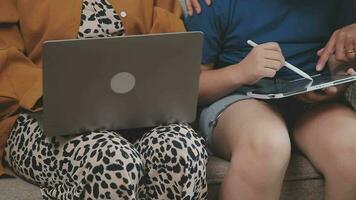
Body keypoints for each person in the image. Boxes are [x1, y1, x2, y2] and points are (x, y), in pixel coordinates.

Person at [0, 0, 210, 199]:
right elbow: (5, 57)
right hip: (39, 117)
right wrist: (58, 95)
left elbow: (172, 46)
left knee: (182, 148)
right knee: (112, 160)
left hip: (138, 111)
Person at [185, 0, 356, 199]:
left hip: (314, 104)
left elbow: (341, 66)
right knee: (267, 143)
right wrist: (241, 72)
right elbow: (188, 87)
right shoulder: (214, 4)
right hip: (239, 99)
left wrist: (337, 81)